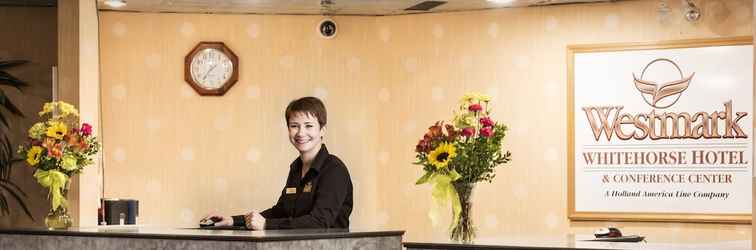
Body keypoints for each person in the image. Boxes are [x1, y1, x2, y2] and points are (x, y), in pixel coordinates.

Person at [202, 96, 353, 230]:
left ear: (322, 130)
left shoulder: (334, 169)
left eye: (309, 126)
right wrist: (233, 221)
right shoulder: (296, 168)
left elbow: (320, 221)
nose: (300, 133)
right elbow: (280, 211)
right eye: (294, 126)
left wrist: (266, 225)